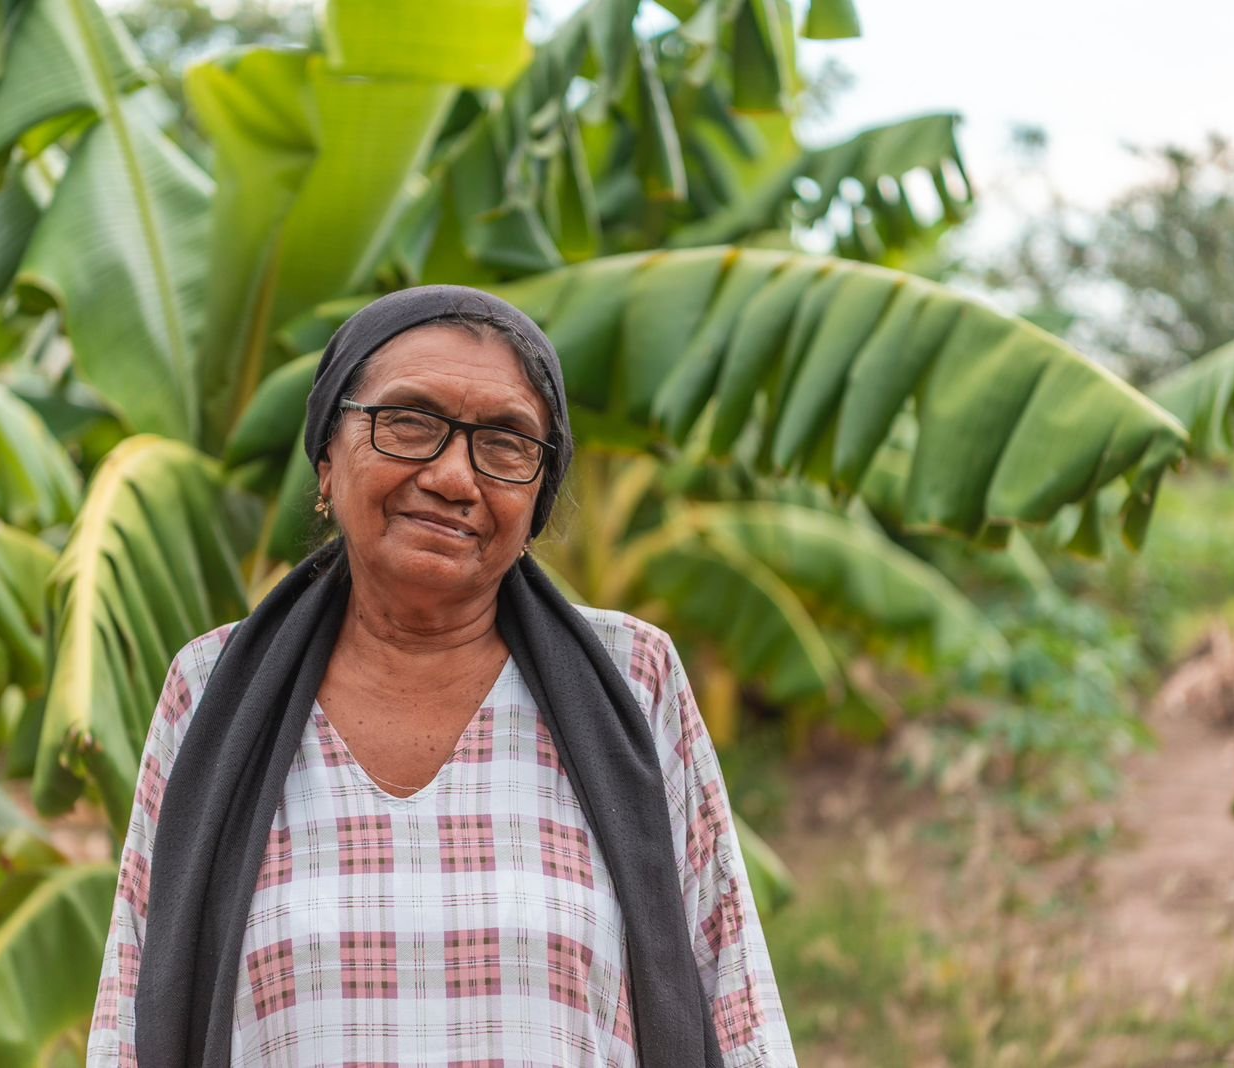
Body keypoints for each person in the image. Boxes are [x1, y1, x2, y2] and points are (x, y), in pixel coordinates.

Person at [87, 286, 796, 1067]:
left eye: (505, 444)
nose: (455, 477)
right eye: (410, 423)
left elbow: (738, 1007)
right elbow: (130, 1017)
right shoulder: (214, 690)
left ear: (537, 496)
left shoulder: (635, 680)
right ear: (327, 461)